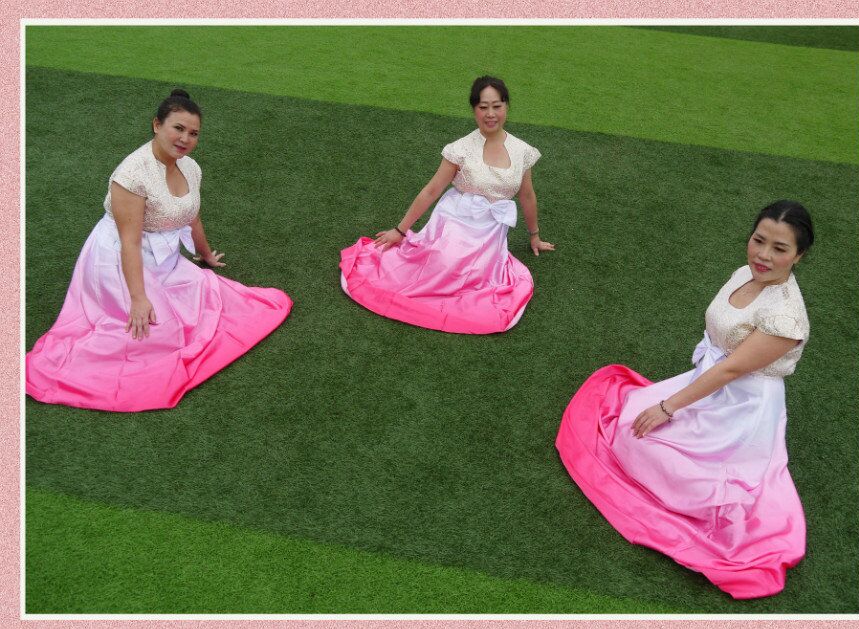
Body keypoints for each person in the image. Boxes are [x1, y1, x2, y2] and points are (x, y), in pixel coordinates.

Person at [556, 201, 814, 599]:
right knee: (629, 424)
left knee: (652, 445)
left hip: (742, 409)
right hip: (710, 382)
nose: (763, 255)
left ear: (799, 255)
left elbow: (731, 370)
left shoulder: (786, 318)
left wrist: (668, 407)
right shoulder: (744, 273)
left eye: (779, 249)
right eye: (758, 240)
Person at [26, 89, 292, 412]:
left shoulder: (190, 168)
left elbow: (191, 215)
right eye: (178, 128)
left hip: (163, 258)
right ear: (156, 125)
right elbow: (129, 242)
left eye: (193, 133)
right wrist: (138, 298)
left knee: (213, 295)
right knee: (154, 333)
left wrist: (206, 254)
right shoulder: (132, 175)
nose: (185, 139)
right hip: (119, 259)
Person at [339, 76, 554, 334]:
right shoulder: (460, 149)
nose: (490, 114)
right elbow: (432, 190)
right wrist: (400, 230)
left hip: (490, 231)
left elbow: (527, 195)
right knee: (446, 262)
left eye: (497, 106)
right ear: (474, 109)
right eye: (483, 107)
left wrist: (534, 236)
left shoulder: (522, 151)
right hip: (456, 220)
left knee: (478, 276)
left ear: (506, 106)